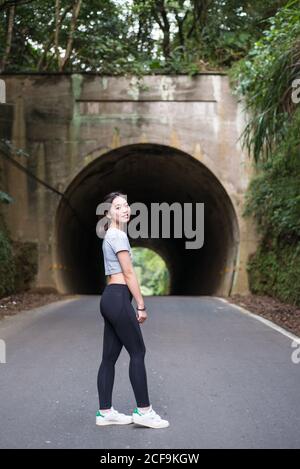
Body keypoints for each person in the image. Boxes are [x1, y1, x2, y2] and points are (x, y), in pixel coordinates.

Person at [96, 191, 169, 429]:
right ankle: (144, 411)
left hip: (110, 299)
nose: (124, 209)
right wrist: (140, 304)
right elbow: (128, 274)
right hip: (118, 297)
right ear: (109, 213)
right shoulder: (118, 236)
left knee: (109, 357)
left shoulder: (111, 235)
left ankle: (105, 412)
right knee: (138, 352)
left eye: (126, 205)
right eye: (117, 207)